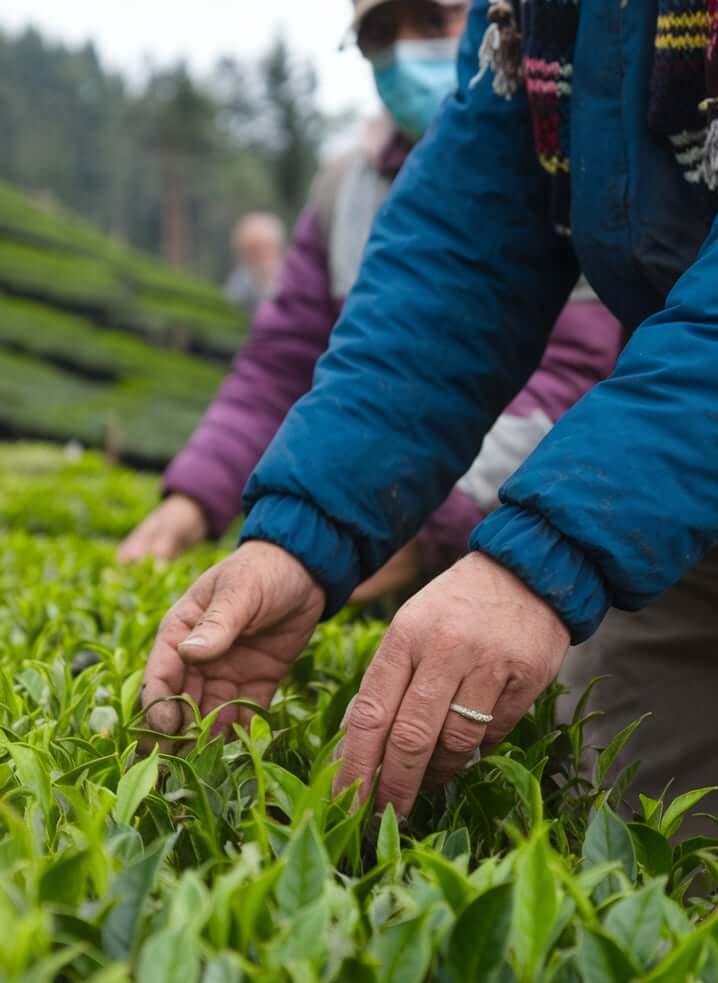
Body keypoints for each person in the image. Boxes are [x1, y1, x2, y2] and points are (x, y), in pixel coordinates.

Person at [144, 0, 718, 824]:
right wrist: (305, 533)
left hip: (677, 454)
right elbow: (464, 254)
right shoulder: (532, 18)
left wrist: (545, 553)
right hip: (698, 498)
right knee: (639, 831)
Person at [119, 0, 619, 586]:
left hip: (531, 550)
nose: (406, 52)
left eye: (433, 22)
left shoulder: (568, 161)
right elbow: (280, 367)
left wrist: (412, 522)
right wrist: (199, 493)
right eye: (382, 33)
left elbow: (573, 380)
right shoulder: (343, 187)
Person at [223, 213, 286, 313]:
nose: (262, 252)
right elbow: (228, 309)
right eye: (254, 249)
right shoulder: (239, 281)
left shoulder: (291, 275)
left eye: (267, 246)